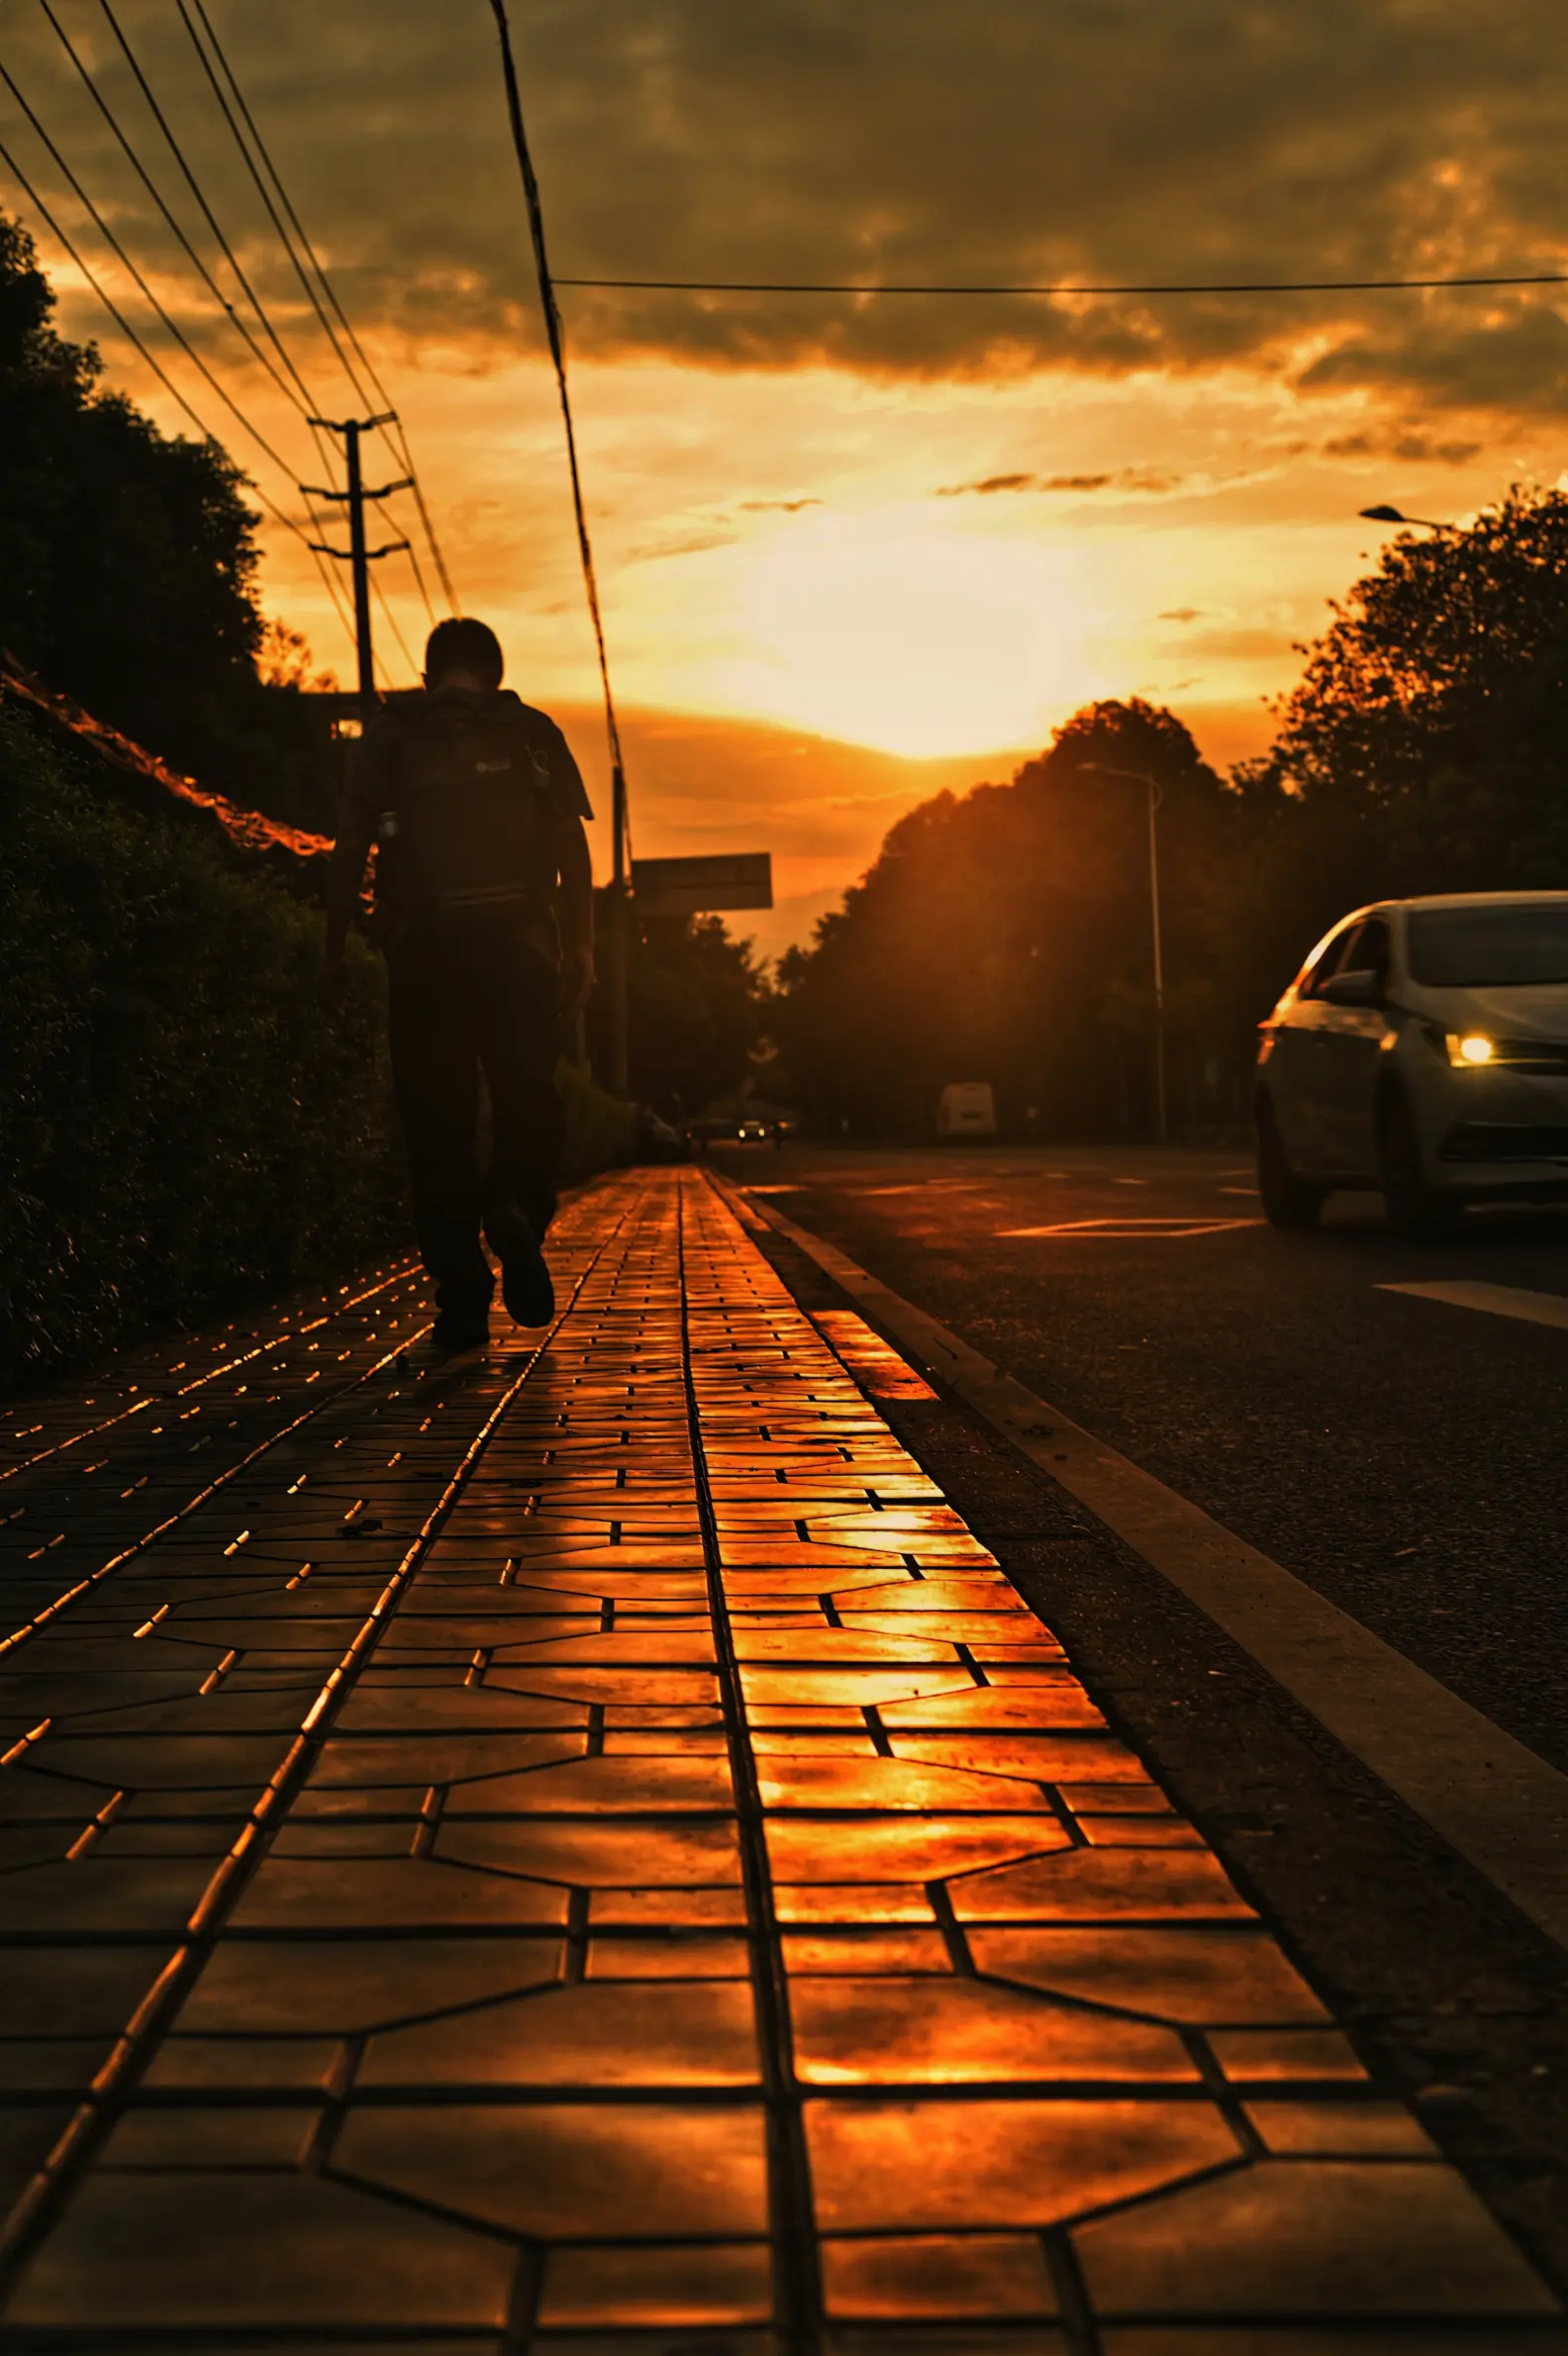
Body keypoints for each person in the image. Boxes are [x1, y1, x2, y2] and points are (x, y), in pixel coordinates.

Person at [320, 618, 594, 1350]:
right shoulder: (530, 729)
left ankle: (464, 1300)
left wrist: (331, 950)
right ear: (495, 675)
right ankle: (513, 1207)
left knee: (436, 1128)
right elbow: (573, 847)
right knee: (528, 1104)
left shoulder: (390, 735)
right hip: (521, 956)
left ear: (429, 673)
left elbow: (350, 845)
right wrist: (585, 951)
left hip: (425, 961)